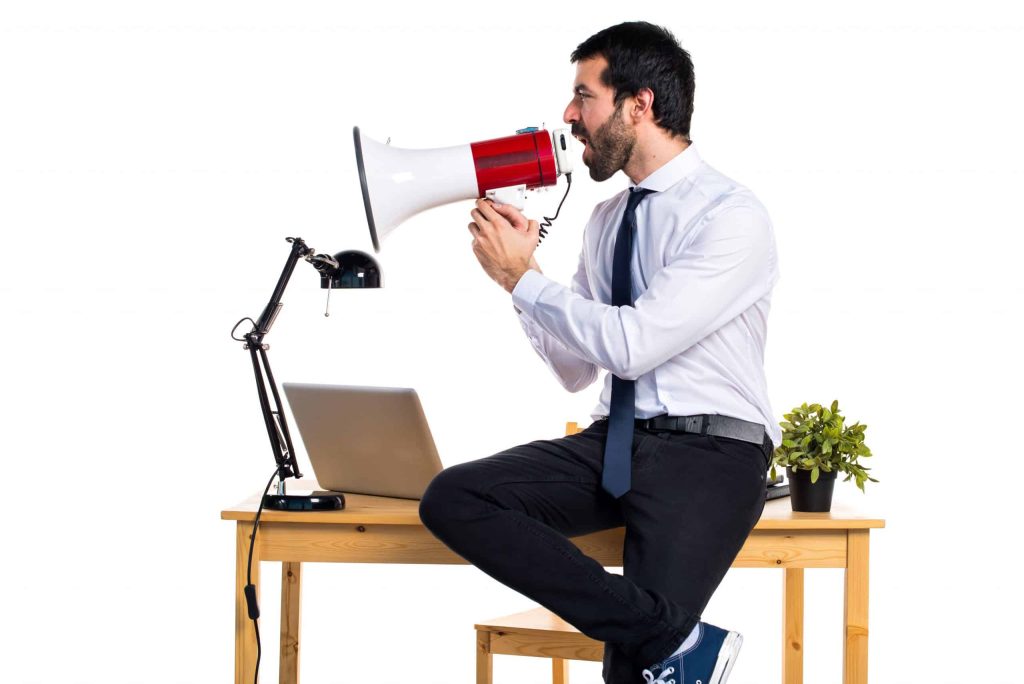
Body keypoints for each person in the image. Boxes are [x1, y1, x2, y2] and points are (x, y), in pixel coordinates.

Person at [419, 21, 781, 684]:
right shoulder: (607, 218)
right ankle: (675, 640)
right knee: (453, 499)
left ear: (638, 105)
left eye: (584, 96)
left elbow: (633, 345)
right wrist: (522, 278)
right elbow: (575, 367)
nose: (568, 115)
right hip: (612, 443)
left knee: (628, 675)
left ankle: (659, 645)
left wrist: (524, 279)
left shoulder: (730, 214)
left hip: (709, 456)